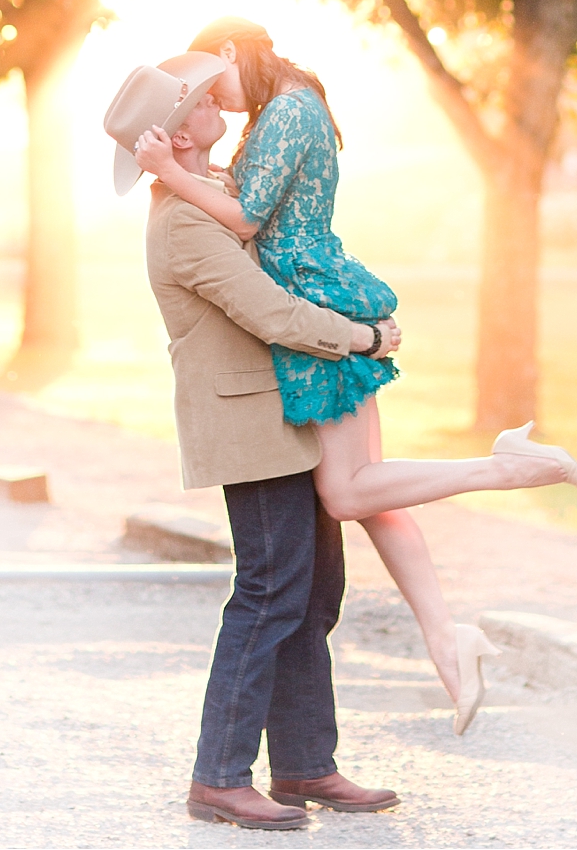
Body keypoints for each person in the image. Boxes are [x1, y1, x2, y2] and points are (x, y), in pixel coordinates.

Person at [135, 16, 577, 735]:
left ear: (230, 51)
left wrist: (165, 172)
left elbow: (249, 220)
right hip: (312, 295)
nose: (218, 104)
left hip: (315, 298)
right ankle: (448, 641)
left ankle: (503, 467)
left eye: (210, 82)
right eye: (201, 101)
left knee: (349, 491)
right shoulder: (280, 105)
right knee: (371, 494)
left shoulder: (285, 109)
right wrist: (179, 171)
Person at [122, 51, 404, 831]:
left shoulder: (209, 195)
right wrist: (365, 336)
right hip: (248, 427)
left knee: (312, 592)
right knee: (269, 590)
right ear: (178, 135)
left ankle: (307, 761)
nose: (220, 102)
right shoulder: (183, 219)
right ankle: (218, 775)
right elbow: (273, 314)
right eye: (201, 101)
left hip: (281, 418)